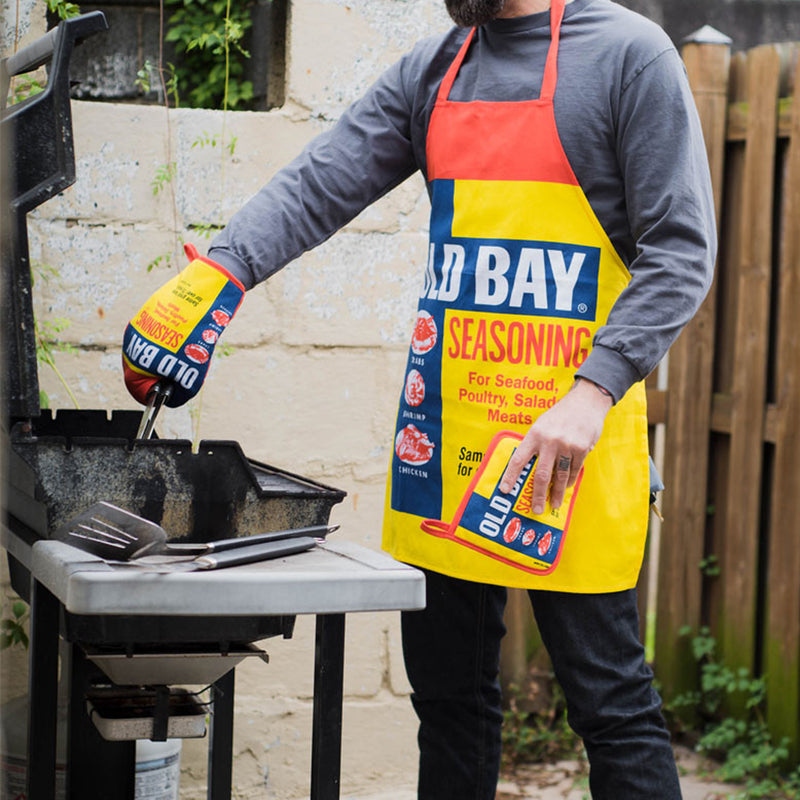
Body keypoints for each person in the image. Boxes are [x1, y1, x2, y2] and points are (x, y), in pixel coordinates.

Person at [122, 0, 716, 797]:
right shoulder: (435, 67)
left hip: (568, 442)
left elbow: (680, 250)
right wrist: (221, 272)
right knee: (449, 704)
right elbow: (322, 180)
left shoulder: (628, 57)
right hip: (444, 441)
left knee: (610, 704)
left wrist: (594, 390)